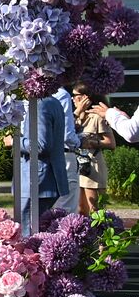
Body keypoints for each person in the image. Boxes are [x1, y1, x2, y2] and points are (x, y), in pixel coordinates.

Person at [12, 91, 70, 233]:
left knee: (28, 234)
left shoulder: (40, 105)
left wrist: (14, 141)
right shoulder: (53, 102)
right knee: (38, 232)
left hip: (36, 180)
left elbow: (40, 145)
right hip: (45, 179)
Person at [73, 85, 116, 214]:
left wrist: (93, 142)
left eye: (76, 96)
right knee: (80, 210)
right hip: (78, 167)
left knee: (95, 211)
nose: (72, 99)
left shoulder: (97, 117)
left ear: (85, 98)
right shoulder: (77, 118)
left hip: (93, 168)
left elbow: (111, 143)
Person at [53, 86, 83, 214]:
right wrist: (80, 141)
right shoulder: (62, 94)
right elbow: (68, 136)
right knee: (66, 206)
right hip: (64, 155)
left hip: (38, 157)